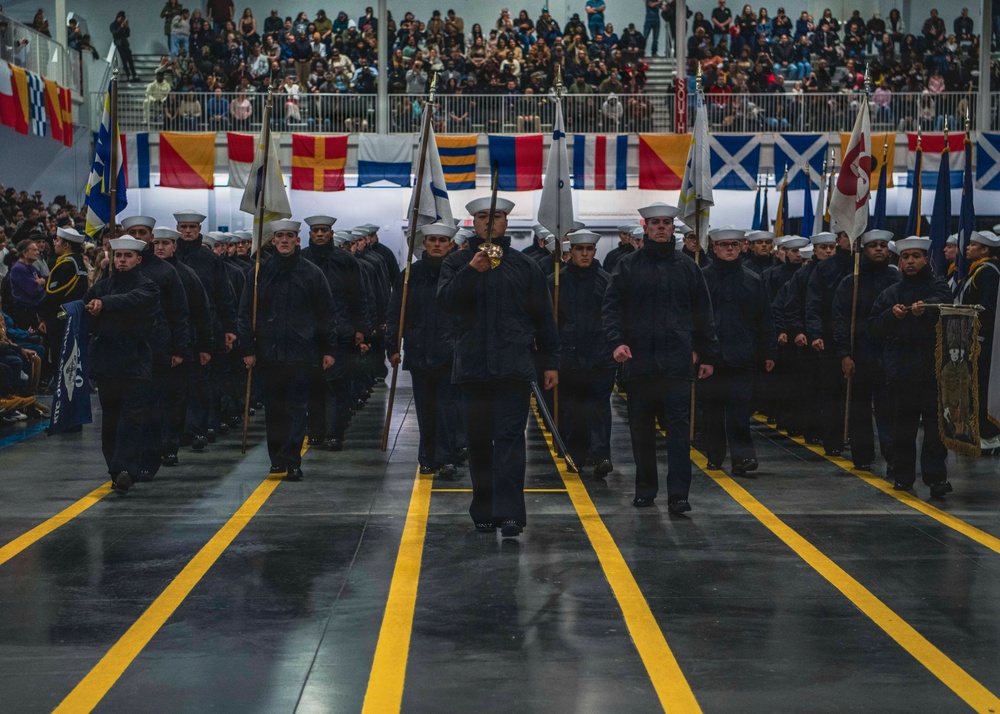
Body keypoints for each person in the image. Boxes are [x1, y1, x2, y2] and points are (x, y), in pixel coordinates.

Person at [437, 196, 559, 538]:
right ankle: (484, 510)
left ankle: (510, 514)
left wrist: (550, 361)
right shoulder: (456, 263)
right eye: (482, 216)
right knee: (478, 442)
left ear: (507, 222)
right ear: (472, 223)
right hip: (472, 367)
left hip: (513, 367)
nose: (490, 222)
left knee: (510, 441)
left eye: (497, 216)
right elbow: (445, 304)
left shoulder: (524, 266)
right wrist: (470, 271)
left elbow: (543, 317)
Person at [603, 203, 719, 513]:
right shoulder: (628, 266)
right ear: (645, 227)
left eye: (666, 222)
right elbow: (612, 308)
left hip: (677, 363)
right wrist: (616, 342)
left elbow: (703, 313)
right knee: (641, 431)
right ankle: (645, 489)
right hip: (639, 361)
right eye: (655, 223)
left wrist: (707, 354)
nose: (661, 227)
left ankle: (679, 494)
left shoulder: (687, 267)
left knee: (679, 434)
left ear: (673, 227)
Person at [238, 220, 338, 480]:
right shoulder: (259, 273)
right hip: (268, 353)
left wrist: (328, 349)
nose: (284, 240)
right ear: (272, 240)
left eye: (289, 235)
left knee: (297, 408)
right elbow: (245, 313)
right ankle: (277, 458)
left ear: (297, 240)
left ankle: (292, 460)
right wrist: (247, 348)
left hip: (302, 352)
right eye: (280, 235)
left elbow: (326, 313)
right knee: (274, 409)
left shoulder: (312, 273)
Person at [870, 236, 952, 496]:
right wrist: (890, 315)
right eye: (905, 257)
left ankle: (936, 479)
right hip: (901, 372)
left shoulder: (938, 286)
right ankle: (903, 476)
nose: (910, 261)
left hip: (932, 371)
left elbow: (944, 306)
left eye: (916, 256)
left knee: (935, 431)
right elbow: (873, 327)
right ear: (900, 262)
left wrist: (926, 309)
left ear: (926, 259)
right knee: (902, 429)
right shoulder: (891, 293)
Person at [83, 235, 160, 494]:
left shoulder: (148, 287)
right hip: (107, 363)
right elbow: (86, 311)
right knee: (111, 419)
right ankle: (116, 471)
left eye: (128, 256)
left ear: (138, 259)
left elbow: (133, 300)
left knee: (132, 418)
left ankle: (126, 468)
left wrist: (104, 305)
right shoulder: (101, 287)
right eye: (118, 256)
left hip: (136, 362)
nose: (122, 260)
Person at [387, 222, 463, 477]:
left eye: (442, 240)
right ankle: (427, 457)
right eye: (432, 240)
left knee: (448, 409)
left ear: (451, 244)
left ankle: (447, 458)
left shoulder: (458, 274)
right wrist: (392, 346)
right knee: (425, 408)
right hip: (419, 350)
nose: (437, 244)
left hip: (450, 352)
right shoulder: (410, 274)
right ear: (424, 243)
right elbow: (396, 312)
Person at [700, 228, 775, 475]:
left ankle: (743, 457)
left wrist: (768, 352)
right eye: (724, 244)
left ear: (742, 246)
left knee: (739, 410)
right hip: (711, 357)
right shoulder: (702, 279)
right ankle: (714, 454)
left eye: (734, 244)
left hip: (743, 355)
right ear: (714, 248)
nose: (730, 249)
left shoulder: (753, 280)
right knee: (712, 409)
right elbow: (694, 317)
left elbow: (765, 318)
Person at [121, 215, 191, 479]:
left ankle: (148, 461)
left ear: (150, 237)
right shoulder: (118, 270)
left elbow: (179, 313)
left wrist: (179, 349)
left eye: (143, 232)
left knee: (154, 407)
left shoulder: (166, 272)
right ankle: (127, 462)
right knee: (127, 409)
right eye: (133, 232)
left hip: (157, 349)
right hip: (126, 350)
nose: (138, 237)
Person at [549, 229, 616, 475]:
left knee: (599, 408)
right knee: (573, 409)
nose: (585, 254)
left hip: (601, 356)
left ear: (595, 251)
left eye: (589, 249)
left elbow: (614, 316)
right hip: (569, 356)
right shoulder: (557, 282)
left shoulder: (607, 281)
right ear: (571, 251)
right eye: (580, 249)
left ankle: (601, 456)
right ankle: (576, 455)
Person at [831, 229, 899, 472]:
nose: (879, 249)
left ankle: (893, 457)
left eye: (883, 245)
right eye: (873, 245)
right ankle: (862, 454)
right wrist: (844, 354)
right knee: (859, 407)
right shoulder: (851, 282)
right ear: (864, 250)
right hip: (860, 352)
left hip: (889, 353)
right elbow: (840, 320)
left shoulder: (896, 280)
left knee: (888, 409)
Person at [300, 215, 369, 451]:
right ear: (310, 234)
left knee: (337, 384)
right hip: (309, 334)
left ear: (331, 233)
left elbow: (358, 295)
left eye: (324, 230)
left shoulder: (345, 260)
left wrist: (360, 328)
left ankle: (334, 433)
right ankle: (315, 431)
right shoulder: (302, 260)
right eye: (316, 230)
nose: (320, 234)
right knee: (313, 384)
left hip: (340, 331)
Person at [173, 210, 237, 451]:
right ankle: (178, 431)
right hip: (176, 328)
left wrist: (229, 328)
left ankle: (197, 429)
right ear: (177, 229)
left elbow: (223, 295)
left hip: (205, 326)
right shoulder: (170, 256)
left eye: (192, 227)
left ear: (199, 229)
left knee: (202, 381)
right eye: (184, 227)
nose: (188, 231)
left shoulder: (211, 260)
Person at [149, 227, 213, 467]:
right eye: (156, 243)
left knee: (174, 401)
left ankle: (170, 446)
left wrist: (204, 345)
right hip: (149, 347)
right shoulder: (143, 272)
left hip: (180, 346)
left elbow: (200, 311)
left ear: (174, 246)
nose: (160, 247)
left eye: (165, 243)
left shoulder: (186, 274)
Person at [803, 226, 854, 456]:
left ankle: (857, 441)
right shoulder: (824, 269)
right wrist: (815, 334)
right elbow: (813, 304)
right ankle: (833, 440)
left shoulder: (867, 266)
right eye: (846, 236)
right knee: (831, 393)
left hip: (861, 340)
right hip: (830, 338)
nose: (851, 240)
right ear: (839, 240)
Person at [957, 230, 1000, 453]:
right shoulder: (977, 270)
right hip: (974, 338)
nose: (967, 247)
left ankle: (989, 435)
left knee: (983, 386)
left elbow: (987, 309)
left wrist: (978, 337)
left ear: (985, 250)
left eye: (973, 245)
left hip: (983, 340)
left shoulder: (988, 273)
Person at [110, 12, 139, 82]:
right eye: (122, 18)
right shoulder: (113, 25)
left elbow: (127, 35)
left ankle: (134, 74)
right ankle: (128, 75)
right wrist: (121, 27)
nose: (122, 20)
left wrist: (126, 28)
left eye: (123, 18)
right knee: (124, 60)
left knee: (130, 60)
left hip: (125, 44)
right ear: (118, 17)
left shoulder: (123, 24)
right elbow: (115, 34)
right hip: (119, 44)